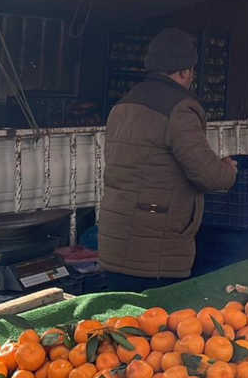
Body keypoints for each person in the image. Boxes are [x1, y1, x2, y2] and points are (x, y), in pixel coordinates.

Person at [99, 28, 238, 291]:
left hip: (115, 235)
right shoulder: (180, 108)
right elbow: (208, 175)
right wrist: (228, 169)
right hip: (155, 247)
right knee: (157, 323)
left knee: (120, 320)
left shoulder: (123, 104)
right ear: (185, 71)